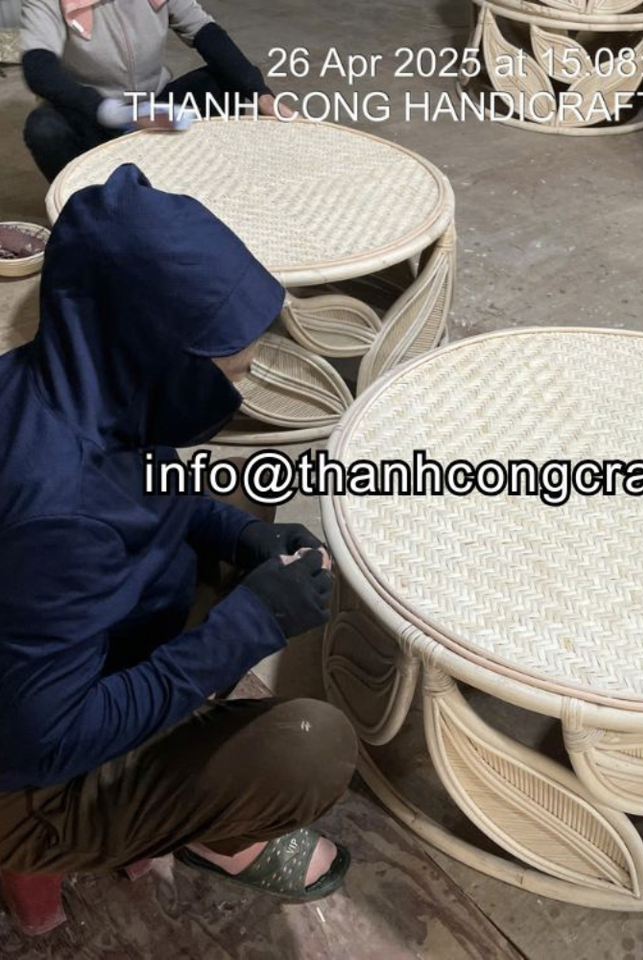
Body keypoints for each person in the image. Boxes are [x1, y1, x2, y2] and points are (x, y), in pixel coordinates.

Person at [0, 164, 357, 903]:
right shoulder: (59, 518)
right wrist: (250, 626)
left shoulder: (63, 381)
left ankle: (178, 771)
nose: (242, 382)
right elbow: (42, 743)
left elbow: (148, 482)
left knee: (245, 517)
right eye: (227, 368)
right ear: (148, 353)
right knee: (310, 750)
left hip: (57, 652)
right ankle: (200, 829)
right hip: (25, 772)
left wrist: (238, 534)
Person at [20, 0, 290, 181]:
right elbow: (38, 68)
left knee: (230, 81)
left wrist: (261, 94)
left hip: (155, 108)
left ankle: (203, 178)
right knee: (44, 128)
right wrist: (109, 112)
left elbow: (206, 32)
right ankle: (88, 209)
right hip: (92, 116)